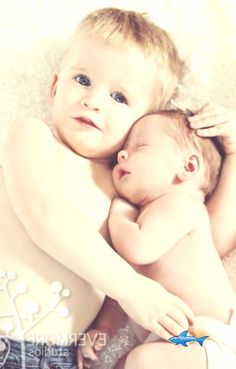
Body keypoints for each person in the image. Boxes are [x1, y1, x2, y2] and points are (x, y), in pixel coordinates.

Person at [1, 6, 236, 369]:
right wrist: (131, 289)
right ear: (53, 86)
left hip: (61, 357)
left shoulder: (130, 193)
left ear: (143, 121)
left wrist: (234, 151)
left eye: (119, 98)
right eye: (82, 80)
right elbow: (45, 215)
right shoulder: (33, 138)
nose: (93, 100)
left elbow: (211, 238)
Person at [80, 110, 236, 369]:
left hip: (214, 340)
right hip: (183, 344)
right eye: (123, 149)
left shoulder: (183, 206)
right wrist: (104, 327)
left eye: (140, 146)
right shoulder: (145, 220)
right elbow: (126, 287)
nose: (121, 155)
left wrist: (119, 211)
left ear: (188, 167)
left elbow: (137, 250)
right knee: (126, 363)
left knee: (142, 360)